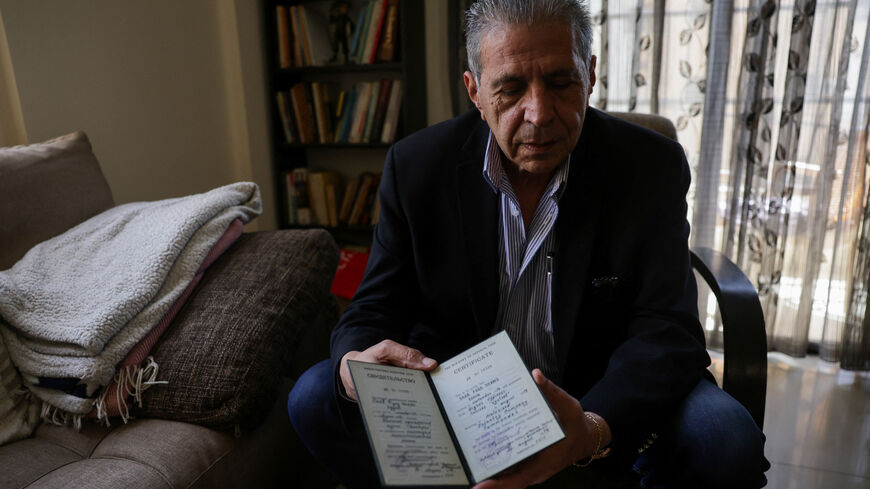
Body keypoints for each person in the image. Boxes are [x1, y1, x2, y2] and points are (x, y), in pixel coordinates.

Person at [289, 1, 770, 487]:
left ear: (592, 74)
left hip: (599, 393)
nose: (539, 114)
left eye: (562, 82)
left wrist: (590, 427)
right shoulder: (416, 167)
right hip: (465, 402)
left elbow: (667, 327)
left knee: (725, 439)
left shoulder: (650, 166)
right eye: (511, 88)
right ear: (475, 92)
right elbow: (374, 306)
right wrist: (354, 364)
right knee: (316, 395)